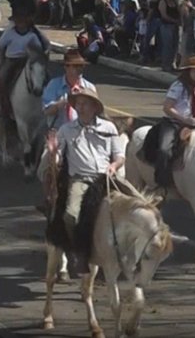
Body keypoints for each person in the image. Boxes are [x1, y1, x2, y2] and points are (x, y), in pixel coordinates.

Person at [48, 87, 124, 268]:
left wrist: (114, 166)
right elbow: (58, 157)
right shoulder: (66, 129)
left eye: (85, 104)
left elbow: (120, 155)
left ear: (94, 107)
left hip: (105, 179)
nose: (80, 108)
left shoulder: (109, 128)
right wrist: (53, 154)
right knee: (70, 216)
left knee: (136, 206)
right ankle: (78, 249)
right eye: (78, 104)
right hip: (80, 180)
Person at [154, 56, 195, 187]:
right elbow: (167, 108)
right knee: (164, 150)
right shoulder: (178, 86)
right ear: (187, 71)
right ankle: (162, 183)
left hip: (193, 124)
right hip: (174, 123)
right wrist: (185, 119)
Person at [0, 11, 50, 118]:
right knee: (1, 80)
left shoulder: (32, 36)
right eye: (18, 20)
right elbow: (0, 46)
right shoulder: (9, 33)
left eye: (23, 20)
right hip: (11, 60)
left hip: (27, 60)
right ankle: (4, 107)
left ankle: (47, 103)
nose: (20, 23)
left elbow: (39, 51)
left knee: (46, 77)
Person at [42, 49, 97, 131]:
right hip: (58, 132)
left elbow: (95, 114)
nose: (79, 69)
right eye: (75, 66)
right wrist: (62, 103)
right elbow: (45, 111)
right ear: (66, 67)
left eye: (82, 66)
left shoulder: (89, 87)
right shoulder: (54, 85)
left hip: (81, 133)